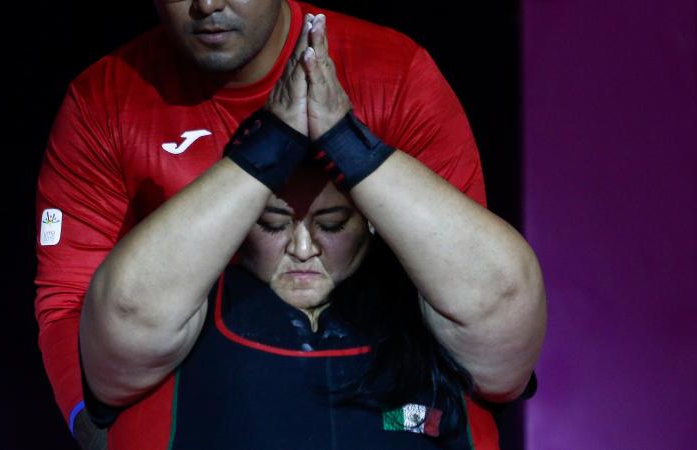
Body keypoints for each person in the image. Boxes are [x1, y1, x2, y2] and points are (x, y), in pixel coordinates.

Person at [35, 0, 545, 448]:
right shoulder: (104, 99)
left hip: (382, 392)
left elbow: (487, 301)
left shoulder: (395, 74)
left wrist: (346, 140)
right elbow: (74, 305)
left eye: (331, 222)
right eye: (272, 222)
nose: (208, 4)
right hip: (200, 386)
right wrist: (104, 431)